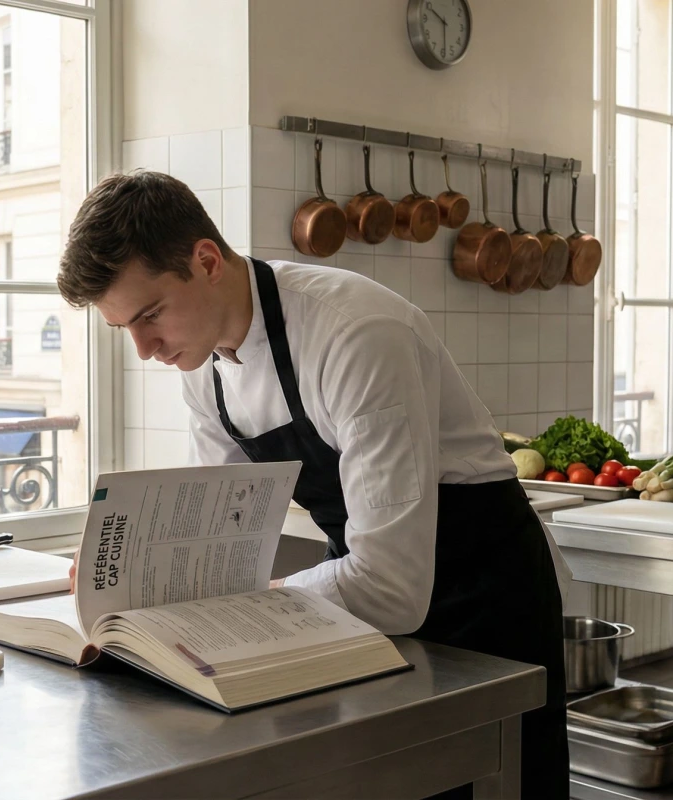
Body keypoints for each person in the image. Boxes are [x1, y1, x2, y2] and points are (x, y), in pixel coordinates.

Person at [57, 171, 569, 798]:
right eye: (124, 329)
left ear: (207, 260)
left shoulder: (355, 335)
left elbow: (391, 588)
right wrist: (129, 578)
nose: (144, 349)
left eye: (151, 315)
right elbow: (220, 537)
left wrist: (262, 600)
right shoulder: (202, 368)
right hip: (369, 582)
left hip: (483, 598)